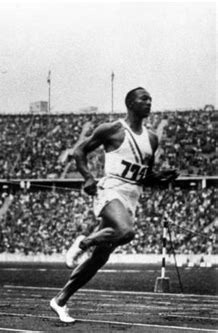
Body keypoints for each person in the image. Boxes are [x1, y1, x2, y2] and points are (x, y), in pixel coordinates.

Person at [50, 87, 178, 323]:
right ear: (130, 103)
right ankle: (84, 242)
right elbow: (79, 151)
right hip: (109, 190)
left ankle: (60, 301)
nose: (149, 103)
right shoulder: (113, 129)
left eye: (150, 99)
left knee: (99, 258)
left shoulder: (152, 139)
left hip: (131, 197)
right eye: (144, 99)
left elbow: (143, 176)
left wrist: (159, 177)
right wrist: (88, 177)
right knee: (125, 231)